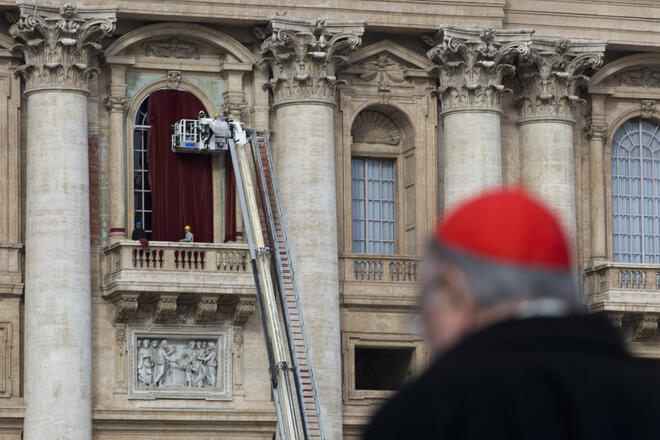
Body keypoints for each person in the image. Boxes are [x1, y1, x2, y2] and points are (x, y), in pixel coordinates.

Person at [364, 188, 660, 440]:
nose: (424, 327)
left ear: (457, 293)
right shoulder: (649, 400)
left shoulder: (419, 417)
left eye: (424, 306)